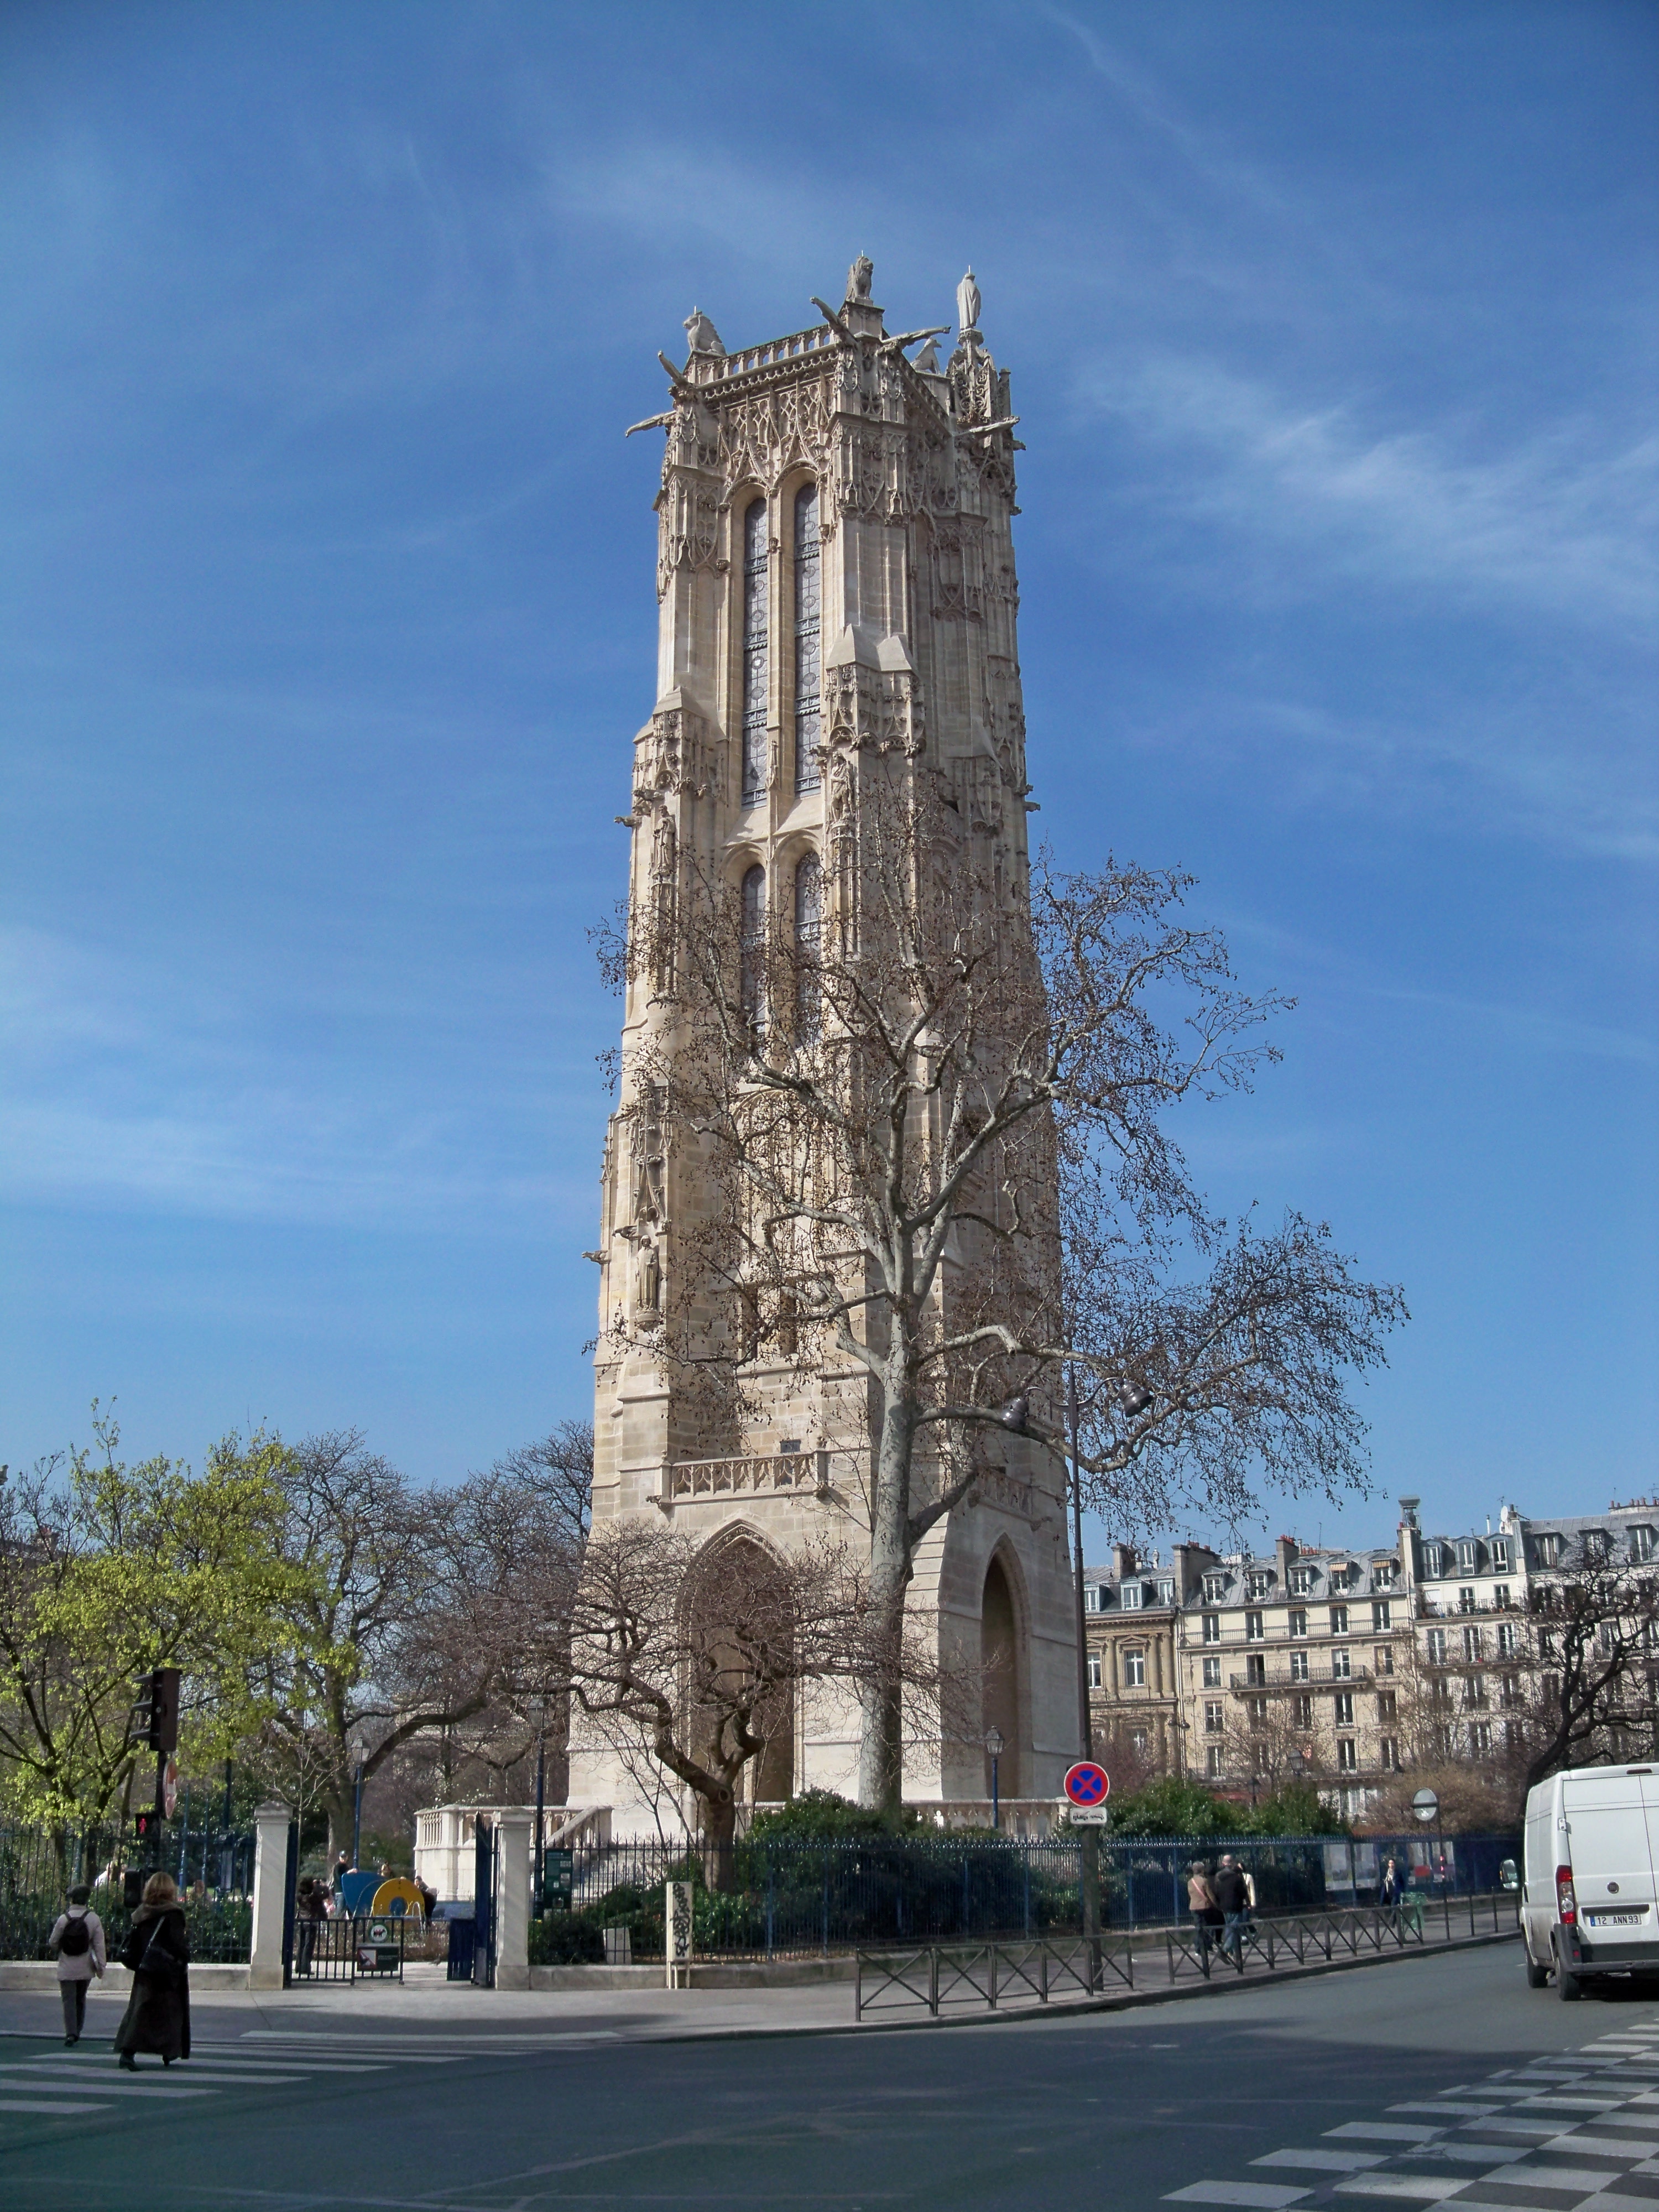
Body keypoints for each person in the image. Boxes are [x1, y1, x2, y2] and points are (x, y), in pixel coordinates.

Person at [112, 1870, 190, 2070]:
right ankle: (168, 2049)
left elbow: (137, 1943)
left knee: (140, 2010)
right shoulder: (173, 1914)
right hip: (167, 1969)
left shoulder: (142, 1913)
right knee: (170, 2011)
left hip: (145, 1969)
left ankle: (129, 2051)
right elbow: (176, 1943)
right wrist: (183, 1958)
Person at [48, 1882, 106, 2045]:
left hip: (66, 1966)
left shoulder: (63, 1919)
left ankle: (70, 2033)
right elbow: (100, 1945)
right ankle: (78, 2030)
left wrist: (61, 1948)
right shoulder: (93, 1919)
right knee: (80, 1999)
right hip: (85, 1966)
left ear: (72, 1899)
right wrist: (101, 1966)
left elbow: (53, 1942)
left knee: (68, 2001)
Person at [1211, 1854, 1251, 1967]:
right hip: (1235, 1906)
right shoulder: (1236, 1879)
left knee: (1230, 1928)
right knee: (1234, 1929)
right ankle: (1224, 1951)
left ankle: (1235, 1955)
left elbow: (1217, 1892)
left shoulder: (1219, 1877)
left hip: (1224, 1907)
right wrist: (1248, 1903)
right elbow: (1243, 1893)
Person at [1186, 1861, 1223, 1961]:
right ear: (1202, 1870)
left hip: (1194, 1907)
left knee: (1199, 1928)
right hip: (1205, 1907)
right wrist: (1217, 1905)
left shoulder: (1190, 1882)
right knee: (1208, 1927)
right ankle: (1207, 1946)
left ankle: (1198, 1948)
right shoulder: (1204, 1881)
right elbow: (1210, 1895)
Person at [294, 1876, 327, 1976]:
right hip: (311, 1922)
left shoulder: (300, 1896)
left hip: (301, 1921)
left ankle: (299, 1966)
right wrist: (323, 1886)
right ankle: (305, 1967)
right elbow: (325, 1894)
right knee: (309, 1946)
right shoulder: (312, 1897)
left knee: (302, 1945)